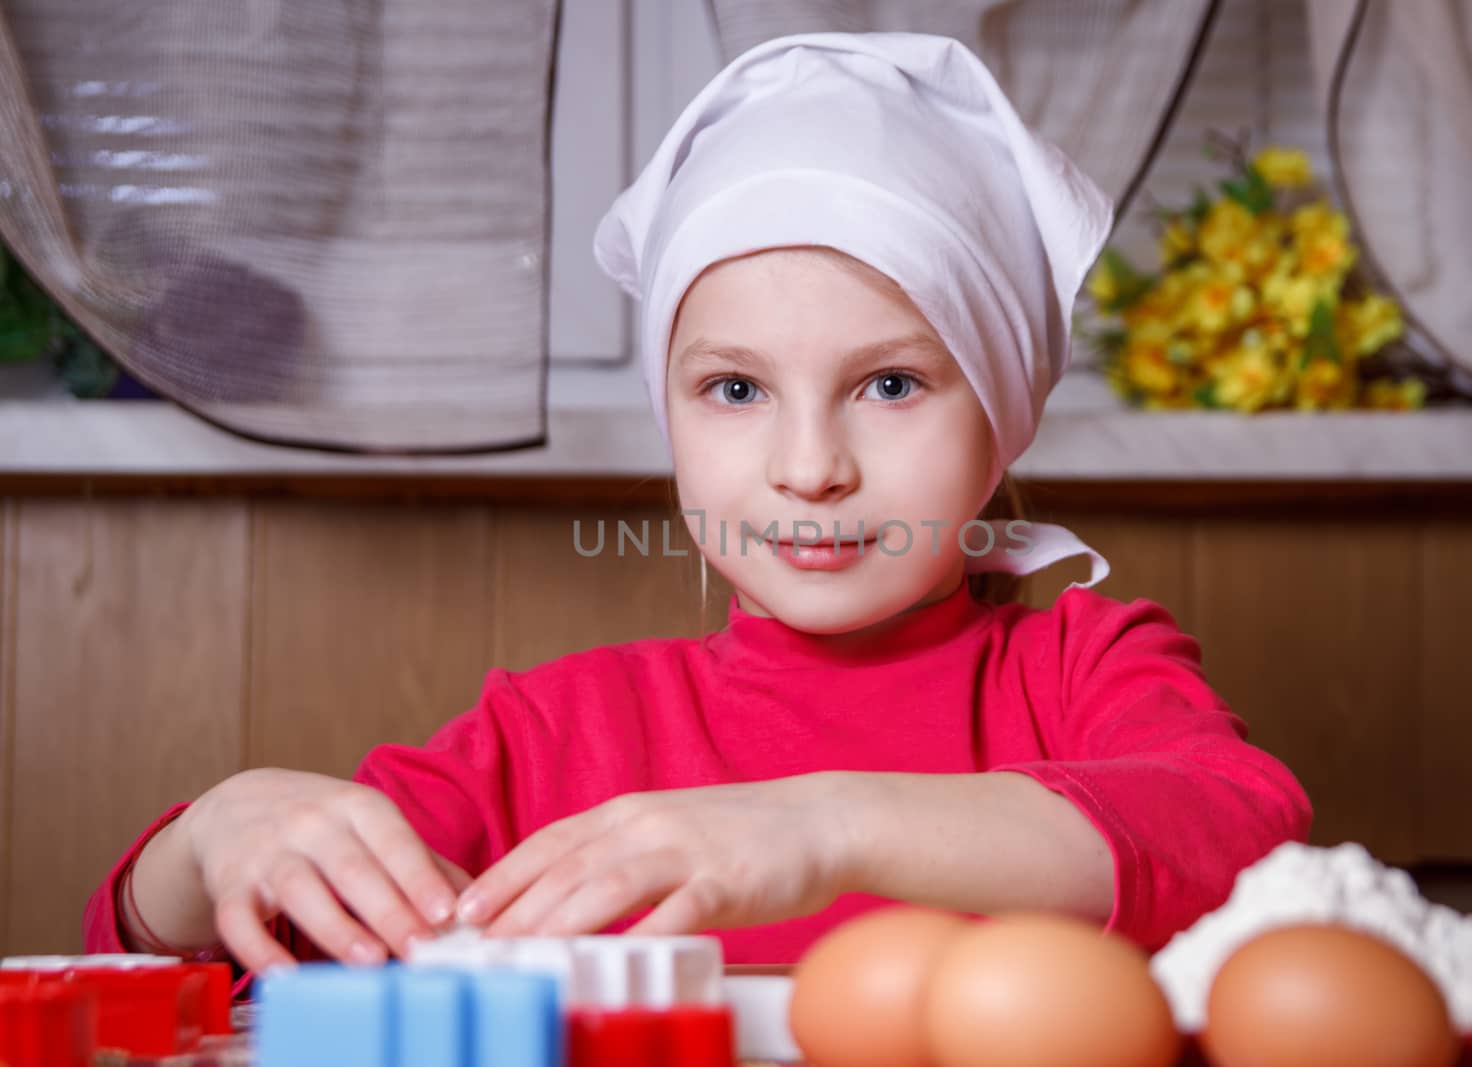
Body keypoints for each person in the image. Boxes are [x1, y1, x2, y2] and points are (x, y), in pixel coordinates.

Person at [84, 32, 1311, 982]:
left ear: (1000, 422)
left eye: (890, 384)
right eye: (734, 388)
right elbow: (178, 951)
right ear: (670, 417)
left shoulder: (1082, 672)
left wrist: (824, 825)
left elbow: (1249, 836)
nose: (809, 465)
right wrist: (210, 841)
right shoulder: (550, 738)